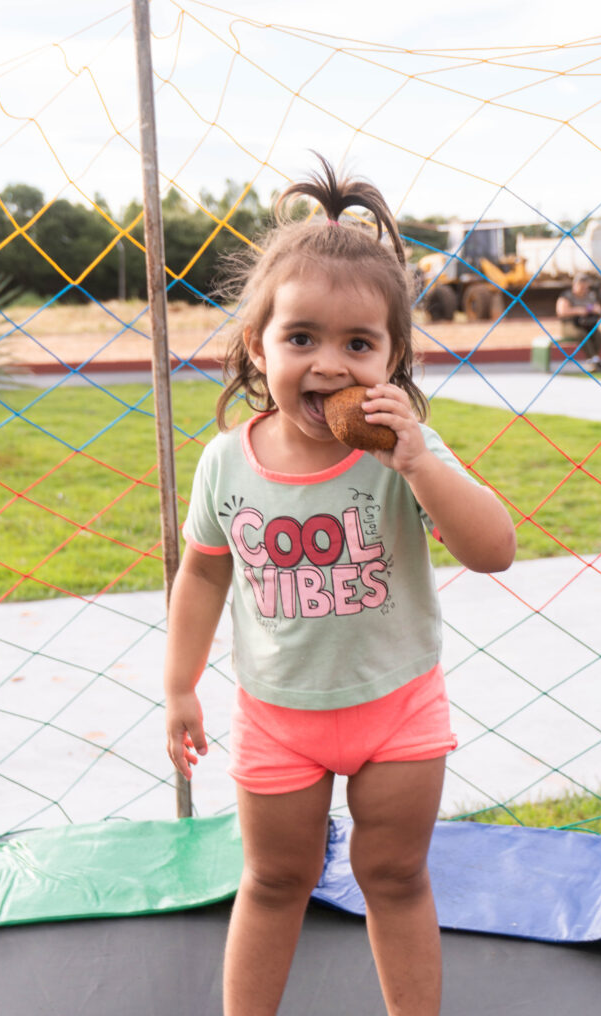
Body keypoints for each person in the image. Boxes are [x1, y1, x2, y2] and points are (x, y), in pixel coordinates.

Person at [163, 155, 517, 1016]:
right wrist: (179, 686)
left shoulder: (404, 453)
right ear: (258, 346)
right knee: (273, 880)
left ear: (393, 359)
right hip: (277, 715)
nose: (329, 364)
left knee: (393, 876)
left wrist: (420, 465)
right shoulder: (226, 462)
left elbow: (493, 551)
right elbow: (203, 574)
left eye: (358, 344)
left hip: (397, 707)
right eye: (301, 338)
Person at [555, 273, 601, 372]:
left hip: (587, 324)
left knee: (598, 335)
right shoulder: (566, 296)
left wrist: (594, 310)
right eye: (581, 287)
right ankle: (594, 360)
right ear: (575, 285)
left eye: (586, 287)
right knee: (581, 334)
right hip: (570, 324)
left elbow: (599, 309)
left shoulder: (590, 295)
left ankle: (592, 360)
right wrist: (579, 310)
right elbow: (561, 312)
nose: (584, 289)